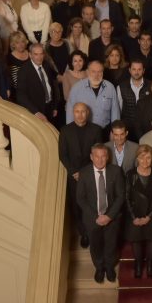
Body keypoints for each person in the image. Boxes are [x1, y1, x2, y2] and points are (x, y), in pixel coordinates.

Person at [76, 143, 125, 283]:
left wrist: (109, 216)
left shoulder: (116, 171)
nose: (100, 159)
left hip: (112, 217)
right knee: (96, 245)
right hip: (92, 219)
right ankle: (99, 268)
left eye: (103, 156)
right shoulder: (84, 173)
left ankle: (109, 267)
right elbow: (80, 198)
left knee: (111, 244)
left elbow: (120, 196)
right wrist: (96, 217)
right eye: (97, 156)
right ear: (91, 157)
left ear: (107, 157)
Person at [59, 103, 104, 248]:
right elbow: (63, 155)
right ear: (73, 113)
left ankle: (93, 231)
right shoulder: (65, 131)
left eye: (83, 111)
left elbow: (98, 155)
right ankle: (83, 233)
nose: (80, 115)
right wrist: (74, 172)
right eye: (77, 111)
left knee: (92, 204)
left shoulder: (96, 130)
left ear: (87, 113)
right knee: (76, 206)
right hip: (73, 176)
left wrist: (84, 173)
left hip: (91, 174)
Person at [124, 144, 152, 279]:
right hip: (134, 215)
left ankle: (151, 264)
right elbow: (126, 197)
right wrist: (134, 217)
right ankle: (139, 264)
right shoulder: (130, 174)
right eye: (142, 157)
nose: (145, 161)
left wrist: (149, 217)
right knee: (136, 239)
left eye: (148, 158)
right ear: (137, 159)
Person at [66, 60, 120, 129]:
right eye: (93, 71)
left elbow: (115, 112)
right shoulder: (76, 88)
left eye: (99, 72)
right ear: (88, 72)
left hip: (105, 130)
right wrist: (70, 131)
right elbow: (70, 112)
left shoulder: (110, 87)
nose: (96, 75)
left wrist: (116, 130)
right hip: (84, 130)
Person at [15, 43, 61, 124]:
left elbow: (53, 86)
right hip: (36, 111)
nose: (39, 57)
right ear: (30, 55)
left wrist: (55, 106)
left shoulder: (46, 65)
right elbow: (21, 95)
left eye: (41, 54)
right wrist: (36, 112)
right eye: (36, 54)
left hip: (50, 108)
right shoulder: (24, 71)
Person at [117, 59, 151, 142]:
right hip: (128, 128)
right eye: (134, 69)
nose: (136, 72)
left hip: (145, 127)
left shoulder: (151, 86)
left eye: (139, 69)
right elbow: (119, 110)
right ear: (129, 70)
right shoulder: (121, 87)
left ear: (143, 71)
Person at [45, 22, 72, 86]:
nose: (57, 34)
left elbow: (72, 59)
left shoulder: (67, 43)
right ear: (50, 33)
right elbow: (46, 65)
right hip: (53, 79)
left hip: (68, 76)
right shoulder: (45, 47)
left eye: (59, 31)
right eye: (54, 31)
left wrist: (67, 75)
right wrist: (56, 75)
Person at [6, 31, 29, 97]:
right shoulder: (9, 58)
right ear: (13, 44)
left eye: (22, 41)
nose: (21, 45)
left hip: (33, 86)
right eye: (17, 43)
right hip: (18, 91)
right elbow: (10, 78)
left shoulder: (31, 53)